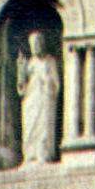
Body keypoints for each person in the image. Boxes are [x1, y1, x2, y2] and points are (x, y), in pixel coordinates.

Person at [17, 31, 61, 164]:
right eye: (33, 44)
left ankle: (44, 154)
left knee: (44, 125)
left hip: (46, 98)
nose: (35, 46)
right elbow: (21, 88)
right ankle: (30, 155)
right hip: (31, 100)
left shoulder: (50, 61)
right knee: (30, 127)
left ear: (43, 44)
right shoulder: (29, 63)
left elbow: (56, 83)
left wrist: (47, 82)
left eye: (38, 43)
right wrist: (21, 71)